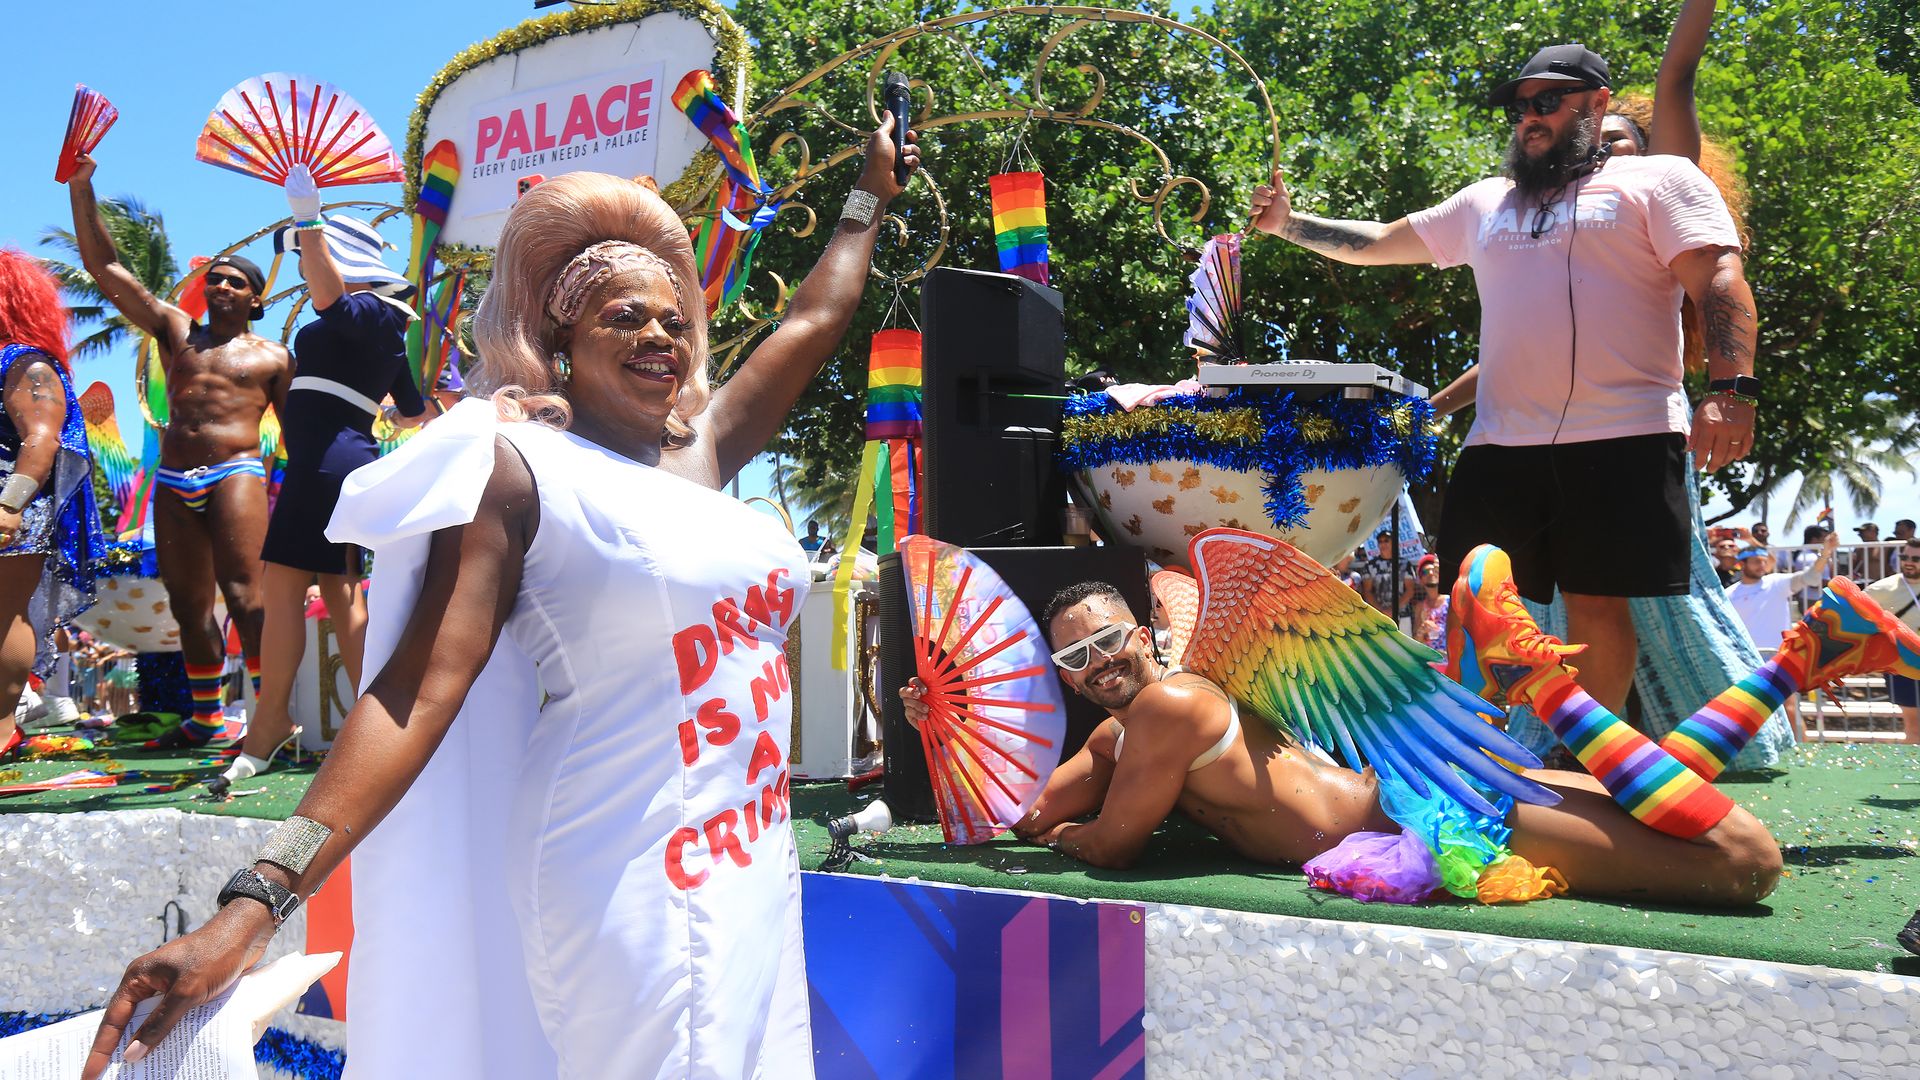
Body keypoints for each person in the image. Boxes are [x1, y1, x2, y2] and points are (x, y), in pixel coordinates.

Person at [85, 119, 921, 1079]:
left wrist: (869, 192)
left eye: (673, 317)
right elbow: (413, 693)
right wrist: (257, 898)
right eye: (623, 316)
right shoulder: (520, 471)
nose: (659, 333)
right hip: (627, 874)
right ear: (561, 336)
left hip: (751, 855)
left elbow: (815, 319)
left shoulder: (702, 451)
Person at [903, 551, 1917, 906]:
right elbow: (1026, 807)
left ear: (1142, 633)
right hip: (1416, 807)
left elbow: (1108, 844)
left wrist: (1072, 836)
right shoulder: (1124, 733)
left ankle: (1538, 680)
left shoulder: (1169, 705)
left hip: (1429, 819)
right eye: (1075, 659)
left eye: (1111, 640)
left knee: (1744, 859)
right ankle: (1800, 656)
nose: (1099, 665)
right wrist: (942, 725)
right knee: (1648, 806)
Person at [1252, 42, 1757, 721]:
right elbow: (1377, 244)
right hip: (1499, 444)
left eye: (1546, 102)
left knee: (1597, 605)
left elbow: (1719, 278)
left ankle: (1586, 775)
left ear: (1598, 102)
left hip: (1625, 435)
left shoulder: (1658, 180)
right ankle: (1481, 760)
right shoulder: (1485, 202)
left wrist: (1731, 392)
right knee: (1473, 600)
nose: (1529, 119)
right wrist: (1290, 225)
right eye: (1519, 107)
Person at [209, 168, 428, 796]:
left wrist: (308, 220)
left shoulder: (368, 311)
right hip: (328, 459)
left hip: (327, 464)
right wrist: (388, 410)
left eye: (318, 254)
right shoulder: (385, 326)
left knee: (298, 590)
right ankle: (364, 725)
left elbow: (329, 296)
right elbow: (411, 410)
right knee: (331, 591)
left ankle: (279, 723)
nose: (309, 268)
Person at [64, 153, 288, 748]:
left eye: (234, 280)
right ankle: (208, 719)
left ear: (254, 298)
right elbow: (106, 266)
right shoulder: (175, 332)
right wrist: (82, 188)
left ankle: (268, 716)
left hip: (236, 473)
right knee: (188, 606)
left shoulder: (274, 358)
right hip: (173, 479)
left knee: (245, 597)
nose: (219, 285)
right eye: (213, 277)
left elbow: (295, 437)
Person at [0, 250, 107, 760]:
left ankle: (2, 728)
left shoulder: (25, 363)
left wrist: (10, 505)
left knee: (2, 616)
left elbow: (41, 439)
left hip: (10, 509)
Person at [1864, 537, 1920, 744]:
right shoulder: (1882, 589)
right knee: (1914, 728)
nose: (1909, 562)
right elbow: (1853, 615)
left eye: (1916, 558)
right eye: (1905, 556)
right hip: (1903, 664)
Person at [1408, 552, 1449, 649]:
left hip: (1450, 657)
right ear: (1421, 580)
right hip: (1430, 659)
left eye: (1434, 570)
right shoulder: (1420, 607)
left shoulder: (1450, 601)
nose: (1430, 573)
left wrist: (1439, 629)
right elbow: (1416, 640)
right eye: (1425, 572)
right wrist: (1421, 632)